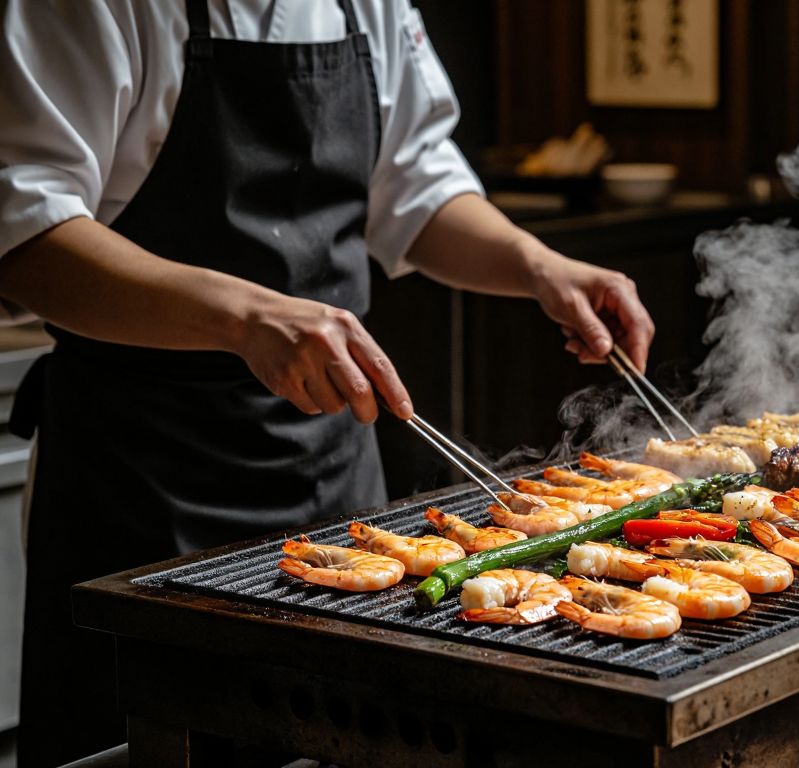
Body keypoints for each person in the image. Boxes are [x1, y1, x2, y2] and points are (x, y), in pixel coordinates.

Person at [0, 1, 655, 764]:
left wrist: (535, 265)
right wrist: (245, 317)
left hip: (332, 464)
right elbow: (25, 234)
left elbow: (415, 185)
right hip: (142, 473)